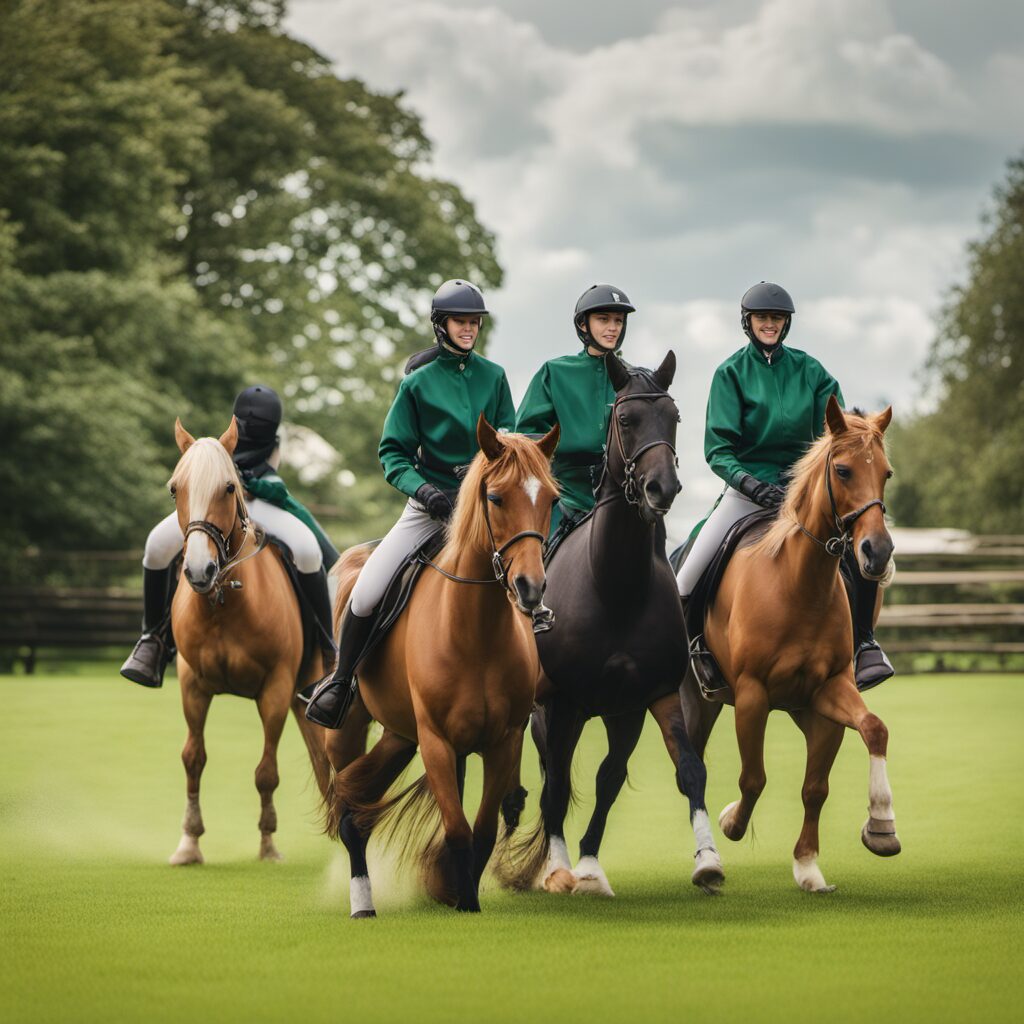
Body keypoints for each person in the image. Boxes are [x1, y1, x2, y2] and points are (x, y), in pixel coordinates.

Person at [304, 279, 516, 728]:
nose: (469, 329)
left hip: (482, 509)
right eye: (461, 321)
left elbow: (508, 445)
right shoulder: (418, 384)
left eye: (474, 322)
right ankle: (341, 683)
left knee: (530, 575)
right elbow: (392, 453)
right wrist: (424, 492)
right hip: (429, 507)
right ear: (441, 325)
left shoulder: (494, 377)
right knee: (366, 590)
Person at [676, 281, 894, 690]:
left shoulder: (812, 372)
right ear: (748, 322)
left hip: (806, 495)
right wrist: (751, 485)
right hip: (746, 494)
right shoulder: (730, 374)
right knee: (686, 577)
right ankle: (695, 653)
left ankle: (864, 644)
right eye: (763, 318)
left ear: (786, 324)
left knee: (860, 555)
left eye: (777, 319)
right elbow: (718, 448)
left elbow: (839, 437)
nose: (770, 324)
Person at [119, 385, 338, 689]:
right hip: (215, 505)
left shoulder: (273, 441)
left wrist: (252, 483)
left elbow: (271, 474)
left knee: (307, 550)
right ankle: (151, 640)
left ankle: (329, 653)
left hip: (257, 504)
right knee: (156, 544)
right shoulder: (222, 446)